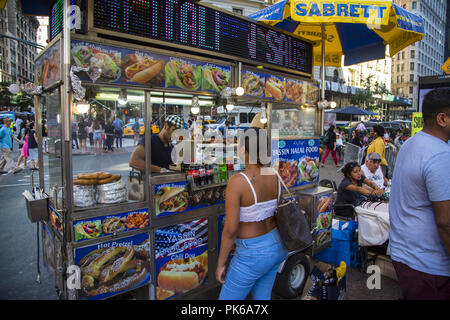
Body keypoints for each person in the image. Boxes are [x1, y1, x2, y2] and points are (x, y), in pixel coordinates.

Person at [389, 88, 450, 300]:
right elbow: (446, 222)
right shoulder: (440, 154)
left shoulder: (411, 143)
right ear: (442, 119)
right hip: (428, 264)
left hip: (405, 254)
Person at [216, 127, 287, 300]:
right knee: (263, 298)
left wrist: (220, 264)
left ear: (243, 151)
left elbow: (230, 230)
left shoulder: (237, 182)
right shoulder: (274, 174)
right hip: (278, 244)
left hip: (253, 254)